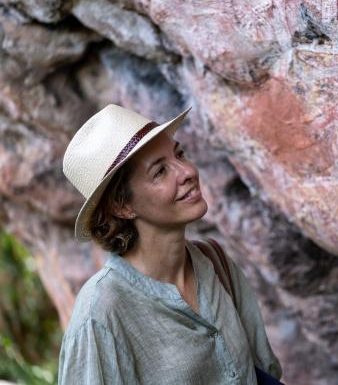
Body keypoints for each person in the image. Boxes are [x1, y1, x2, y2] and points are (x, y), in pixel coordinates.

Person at [59, 104, 282, 384]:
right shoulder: (100, 314)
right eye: (160, 171)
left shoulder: (214, 262)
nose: (187, 171)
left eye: (180, 154)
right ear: (122, 205)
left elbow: (261, 371)